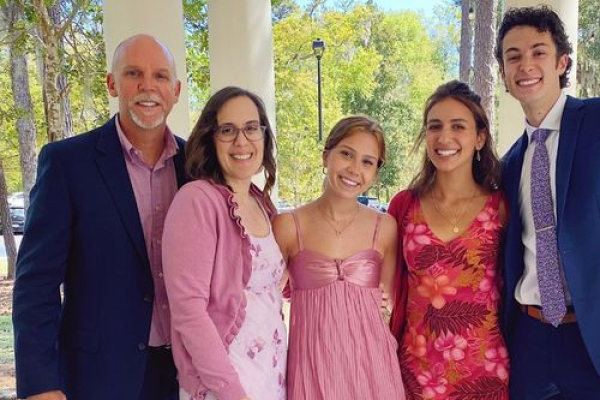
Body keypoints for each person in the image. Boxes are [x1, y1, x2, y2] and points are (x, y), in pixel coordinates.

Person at [12, 34, 185, 400]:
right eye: (133, 73)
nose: (147, 86)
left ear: (176, 90)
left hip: (185, 375)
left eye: (160, 76)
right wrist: (41, 384)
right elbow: (36, 283)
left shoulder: (197, 165)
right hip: (98, 377)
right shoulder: (67, 163)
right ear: (111, 84)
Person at [495, 5, 600, 399]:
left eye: (538, 52)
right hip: (530, 340)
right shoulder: (508, 165)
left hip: (591, 338)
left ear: (562, 62)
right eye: (513, 56)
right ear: (504, 75)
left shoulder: (596, 121)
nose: (526, 65)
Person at [161, 86, 285, 400]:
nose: (241, 141)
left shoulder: (262, 203)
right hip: (224, 384)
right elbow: (189, 311)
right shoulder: (197, 200)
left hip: (271, 376)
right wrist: (232, 393)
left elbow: (272, 287)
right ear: (210, 139)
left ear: (264, 136)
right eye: (228, 130)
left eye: (251, 128)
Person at [388, 81, 508, 400]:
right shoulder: (404, 207)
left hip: (486, 374)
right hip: (416, 376)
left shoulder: (501, 207)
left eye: (458, 126)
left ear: (479, 137)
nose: (444, 137)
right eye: (435, 126)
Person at [274, 115, 406, 399]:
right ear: (326, 157)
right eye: (346, 154)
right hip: (312, 368)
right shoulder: (288, 226)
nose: (354, 169)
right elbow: (265, 299)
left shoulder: (385, 227)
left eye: (367, 162)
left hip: (373, 369)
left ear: (375, 173)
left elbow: (387, 304)